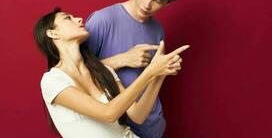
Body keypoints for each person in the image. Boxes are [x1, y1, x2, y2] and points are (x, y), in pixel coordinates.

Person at [34, 8, 189, 138]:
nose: (79, 19)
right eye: (68, 18)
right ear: (52, 33)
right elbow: (108, 113)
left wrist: (159, 74)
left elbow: (138, 115)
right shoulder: (52, 80)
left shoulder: (103, 71)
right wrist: (149, 72)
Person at [85, 0, 186, 137]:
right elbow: (75, 76)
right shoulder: (102, 20)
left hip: (153, 126)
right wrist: (122, 59)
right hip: (120, 129)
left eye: (157, 0)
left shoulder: (157, 30)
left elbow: (150, 79)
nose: (147, 4)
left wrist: (165, 68)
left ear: (167, 3)